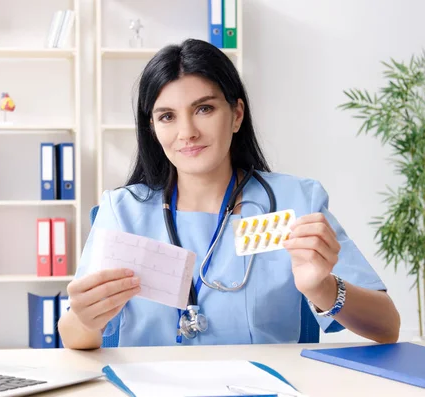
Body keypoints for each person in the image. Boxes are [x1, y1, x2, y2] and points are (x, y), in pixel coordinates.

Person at [58, 38, 400, 350]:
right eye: (167, 116)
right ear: (153, 129)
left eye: (204, 109)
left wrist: (321, 288)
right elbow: (73, 336)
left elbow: (387, 327)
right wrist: (86, 318)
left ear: (236, 114)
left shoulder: (295, 202)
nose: (187, 132)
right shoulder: (124, 210)